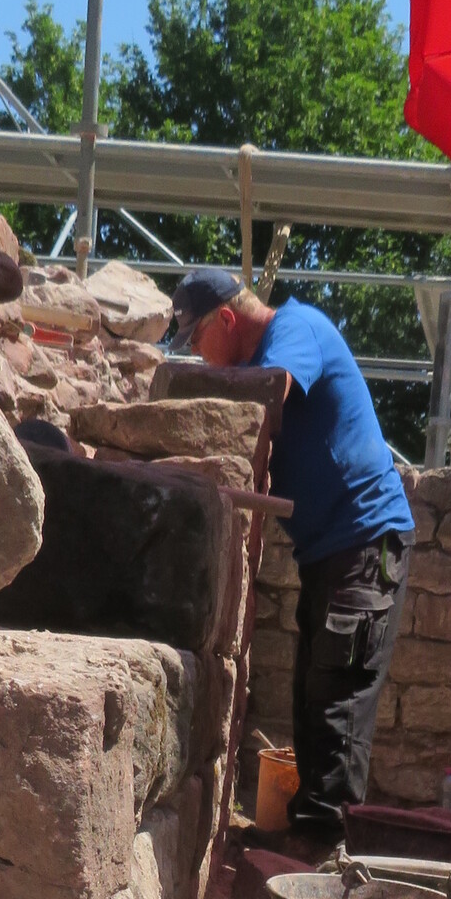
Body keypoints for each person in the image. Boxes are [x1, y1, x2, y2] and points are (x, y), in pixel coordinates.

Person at [169, 267, 413, 837]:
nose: (199, 355)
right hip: (333, 549)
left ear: (226, 319)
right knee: (312, 696)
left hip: (365, 541)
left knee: (338, 699)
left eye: (197, 339)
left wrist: (177, 387)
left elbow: (270, 388)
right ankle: (310, 841)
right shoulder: (275, 342)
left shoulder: (296, 328)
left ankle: (325, 854)